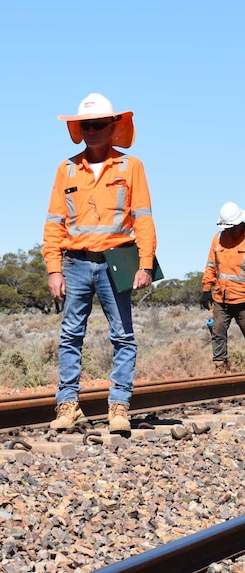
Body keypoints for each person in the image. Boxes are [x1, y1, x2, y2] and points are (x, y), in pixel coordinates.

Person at [43, 93, 157, 433]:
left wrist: (146, 264)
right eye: (85, 125)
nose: (91, 130)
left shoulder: (130, 167)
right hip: (75, 263)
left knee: (122, 336)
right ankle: (68, 407)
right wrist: (53, 269)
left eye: (98, 124)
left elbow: (144, 220)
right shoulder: (65, 170)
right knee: (70, 336)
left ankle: (119, 407)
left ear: (112, 127)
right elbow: (53, 225)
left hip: (115, 263)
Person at [200, 202, 245, 373]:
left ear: (239, 224)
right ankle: (220, 370)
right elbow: (211, 265)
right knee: (217, 333)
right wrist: (206, 288)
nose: (228, 230)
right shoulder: (218, 238)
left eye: (231, 227)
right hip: (221, 298)